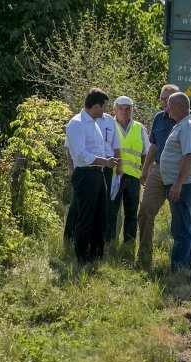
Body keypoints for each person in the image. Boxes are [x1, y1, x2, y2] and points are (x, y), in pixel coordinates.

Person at [137, 84, 191, 268]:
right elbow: (154, 146)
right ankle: (144, 257)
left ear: (178, 102)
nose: (165, 103)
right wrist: (145, 169)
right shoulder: (160, 118)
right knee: (145, 210)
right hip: (159, 171)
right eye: (162, 99)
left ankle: (182, 268)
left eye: (169, 99)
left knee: (182, 221)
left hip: (181, 175)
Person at [65, 88, 120, 263]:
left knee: (100, 216)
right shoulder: (77, 123)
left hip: (97, 175)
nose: (105, 111)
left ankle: (97, 255)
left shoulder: (94, 123)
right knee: (85, 217)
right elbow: (80, 155)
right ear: (96, 106)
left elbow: (97, 150)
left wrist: (105, 162)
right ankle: (82, 258)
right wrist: (105, 162)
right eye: (104, 107)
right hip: (85, 175)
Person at [161, 92, 191, 271]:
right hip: (181, 184)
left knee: (180, 230)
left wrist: (178, 183)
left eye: (169, 105)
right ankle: (188, 268)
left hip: (183, 186)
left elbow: (189, 156)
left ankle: (178, 270)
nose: (166, 108)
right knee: (185, 227)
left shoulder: (188, 127)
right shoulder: (181, 125)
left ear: (178, 107)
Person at [106, 96, 149, 243]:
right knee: (110, 212)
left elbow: (145, 154)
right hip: (113, 176)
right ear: (114, 108)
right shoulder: (108, 125)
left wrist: (144, 173)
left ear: (132, 109)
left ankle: (129, 244)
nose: (124, 111)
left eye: (127, 108)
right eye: (120, 108)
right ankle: (109, 243)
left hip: (133, 177)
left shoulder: (139, 128)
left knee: (131, 214)